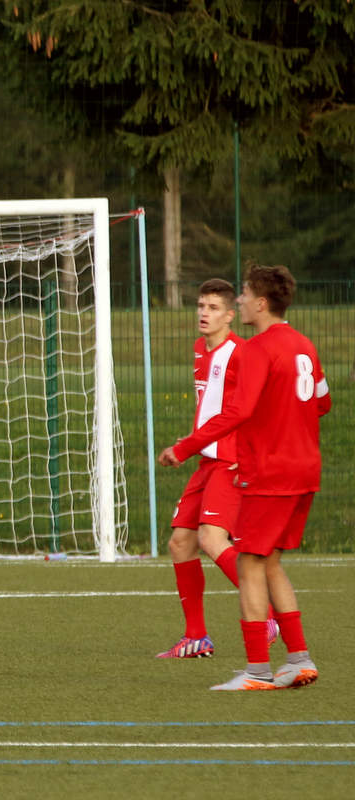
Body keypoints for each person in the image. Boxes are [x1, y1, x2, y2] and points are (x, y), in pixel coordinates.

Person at [159, 264, 331, 691]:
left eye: (243, 295)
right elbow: (322, 403)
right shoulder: (304, 345)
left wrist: (183, 447)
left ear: (260, 302)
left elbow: (238, 412)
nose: (238, 301)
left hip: (269, 472)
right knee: (267, 562)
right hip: (305, 469)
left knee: (249, 562)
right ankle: (298, 661)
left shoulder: (256, 349)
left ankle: (257, 671)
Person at [156, 279, 277, 659]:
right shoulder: (199, 350)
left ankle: (268, 615)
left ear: (229, 315)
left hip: (232, 459)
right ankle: (196, 637)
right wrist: (193, 442)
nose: (203, 314)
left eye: (212, 308)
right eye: (200, 305)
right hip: (207, 458)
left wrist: (251, 450)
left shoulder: (242, 353)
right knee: (180, 542)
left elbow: (256, 408)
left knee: (210, 538)